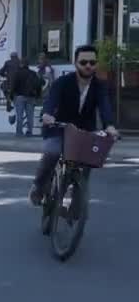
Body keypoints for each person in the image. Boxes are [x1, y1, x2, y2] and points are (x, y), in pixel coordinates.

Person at [29, 45, 119, 206]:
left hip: (84, 131)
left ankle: (78, 203)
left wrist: (109, 126)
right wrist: (48, 114)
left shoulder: (100, 86)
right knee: (52, 152)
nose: (88, 66)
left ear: (96, 64)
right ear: (75, 63)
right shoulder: (63, 82)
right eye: (83, 62)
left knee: (88, 161)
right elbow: (51, 100)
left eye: (92, 62)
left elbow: (105, 106)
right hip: (59, 127)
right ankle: (39, 186)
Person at [11, 59, 43, 137]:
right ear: (28, 65)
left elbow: (14, 85)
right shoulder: (33, 73)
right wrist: (38, 95)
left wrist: (12, 96)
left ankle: (19, 132)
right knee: (30, 116)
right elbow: (38, 85)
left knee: (19, 116)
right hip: (31, 97)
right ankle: (29, 131)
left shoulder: (17, 73)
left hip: (19, 96)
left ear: (21, 64)